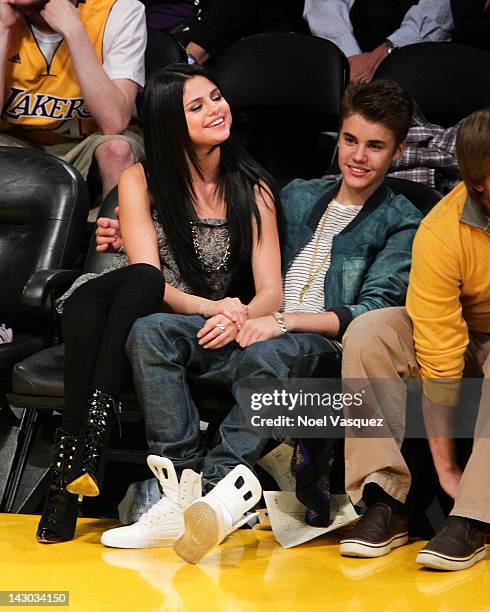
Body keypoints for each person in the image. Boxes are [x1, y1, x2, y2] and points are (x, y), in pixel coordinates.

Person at [97, 79, 422, 565]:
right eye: (350, 141)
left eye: (375, 146)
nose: (358, 156)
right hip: (252, 325)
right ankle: (180, 487)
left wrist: (284, 322)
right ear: (337, 138)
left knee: (272, 351)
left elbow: (369, 311)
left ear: (395, 153)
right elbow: (220, 235)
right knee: (151, 331)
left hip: (317, 345)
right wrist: (127, 233)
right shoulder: (295, 195)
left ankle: (214, 486)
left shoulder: (402, 220)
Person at [36, 63, 283, 544]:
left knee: (138, 306)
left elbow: (270, 291)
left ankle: (73, 474)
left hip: (179, 325)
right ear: (173, 124)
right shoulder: (139, 180)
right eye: (198, 106)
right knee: (127, 287)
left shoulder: (254, 190)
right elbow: (151, 281)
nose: (217, 109)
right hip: (130, 303)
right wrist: (211, 308)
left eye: (216, 96)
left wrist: (237, 313)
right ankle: (82, 450)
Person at [338, 108, 490, 571]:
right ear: (479, 182)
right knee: (368, 333)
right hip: (461, 331)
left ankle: (473, 516)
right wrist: (447, 469)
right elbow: (440, 354)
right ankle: (385, 499)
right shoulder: (443, 231)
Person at [0, 0, 146, 197]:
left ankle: (115, 226)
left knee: (117, 149)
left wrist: (74, 31)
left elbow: (114, 122)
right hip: (16, 144)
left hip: (85, 145)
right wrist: (2, 29)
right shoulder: (4, 14)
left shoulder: (118, 10)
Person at [303, 0, 453, 84]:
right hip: (347, 66)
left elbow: (436, 16)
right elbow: (324, 6)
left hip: (415, 65)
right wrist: (350, 60)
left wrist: (384, 53)